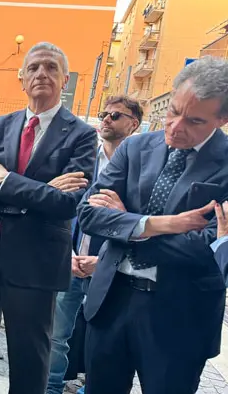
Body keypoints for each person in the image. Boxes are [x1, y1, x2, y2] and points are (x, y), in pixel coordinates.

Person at [77, 56, 228, 394]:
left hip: (180, 315)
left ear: (222, 119)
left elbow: (209, 248)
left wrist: (128, 223)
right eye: (173, 111)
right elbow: (89, 214)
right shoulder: (135, 147)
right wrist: (159, 224)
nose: (175, 126)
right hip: (112, 301)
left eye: (194, 120)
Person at [0, 42, 97, 394]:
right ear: (21, 79)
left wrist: (6, 180)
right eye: (33, 68)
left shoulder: (82, 135)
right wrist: (38, 191)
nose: (41, 74)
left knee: (29, 357)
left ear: (65, 79)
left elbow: (67, 203)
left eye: (51, 67)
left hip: (36, 261)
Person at [45, 96, 142, 394]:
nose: (106, 120)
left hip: (111, 269)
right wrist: (69, 253)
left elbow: (138, 222)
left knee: (104, 338)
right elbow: (65, 207)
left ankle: (91, 386)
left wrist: (102, 263)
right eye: (104, 114)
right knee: (57, 334)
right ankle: (51, 388)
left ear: (134, 124)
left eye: (116, 115)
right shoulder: (85, 159)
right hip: (73, 259)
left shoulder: (139, 169)